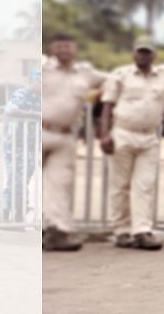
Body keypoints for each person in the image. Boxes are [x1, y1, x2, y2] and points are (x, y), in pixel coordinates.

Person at [98, 36, 164, 250]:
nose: (143, 55)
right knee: (120, 185)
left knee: (145, 185)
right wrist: (104, 134)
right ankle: (122, 231)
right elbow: (107, 106)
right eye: (140, 52)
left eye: (147, 52)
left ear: (154, 55)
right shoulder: (121, 75)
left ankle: (142, 230)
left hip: (149, 136)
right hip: (122, 133)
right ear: (134, 53)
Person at [40, 35, 111, 250]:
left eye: (68, 46)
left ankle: (57, 232)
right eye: (59, 45)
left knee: (60, 184)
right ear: (52, 48)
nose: (64, 50)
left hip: (66, 136)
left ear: (74, 49)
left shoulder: (86, 73)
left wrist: (103, 92)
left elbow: (114, 79)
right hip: (39, 130)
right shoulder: (41, 69)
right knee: (26, 182)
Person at [0, 70, 43, 224]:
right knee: (15, 179)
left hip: (32, 146)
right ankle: (4, 212)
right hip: (15, 144)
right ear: (31, 81)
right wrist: (35, 115)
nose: (41, 84)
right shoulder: (22, 93)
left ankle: (19, 213)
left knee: (24, 179)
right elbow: (10, 110)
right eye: (38, 81)